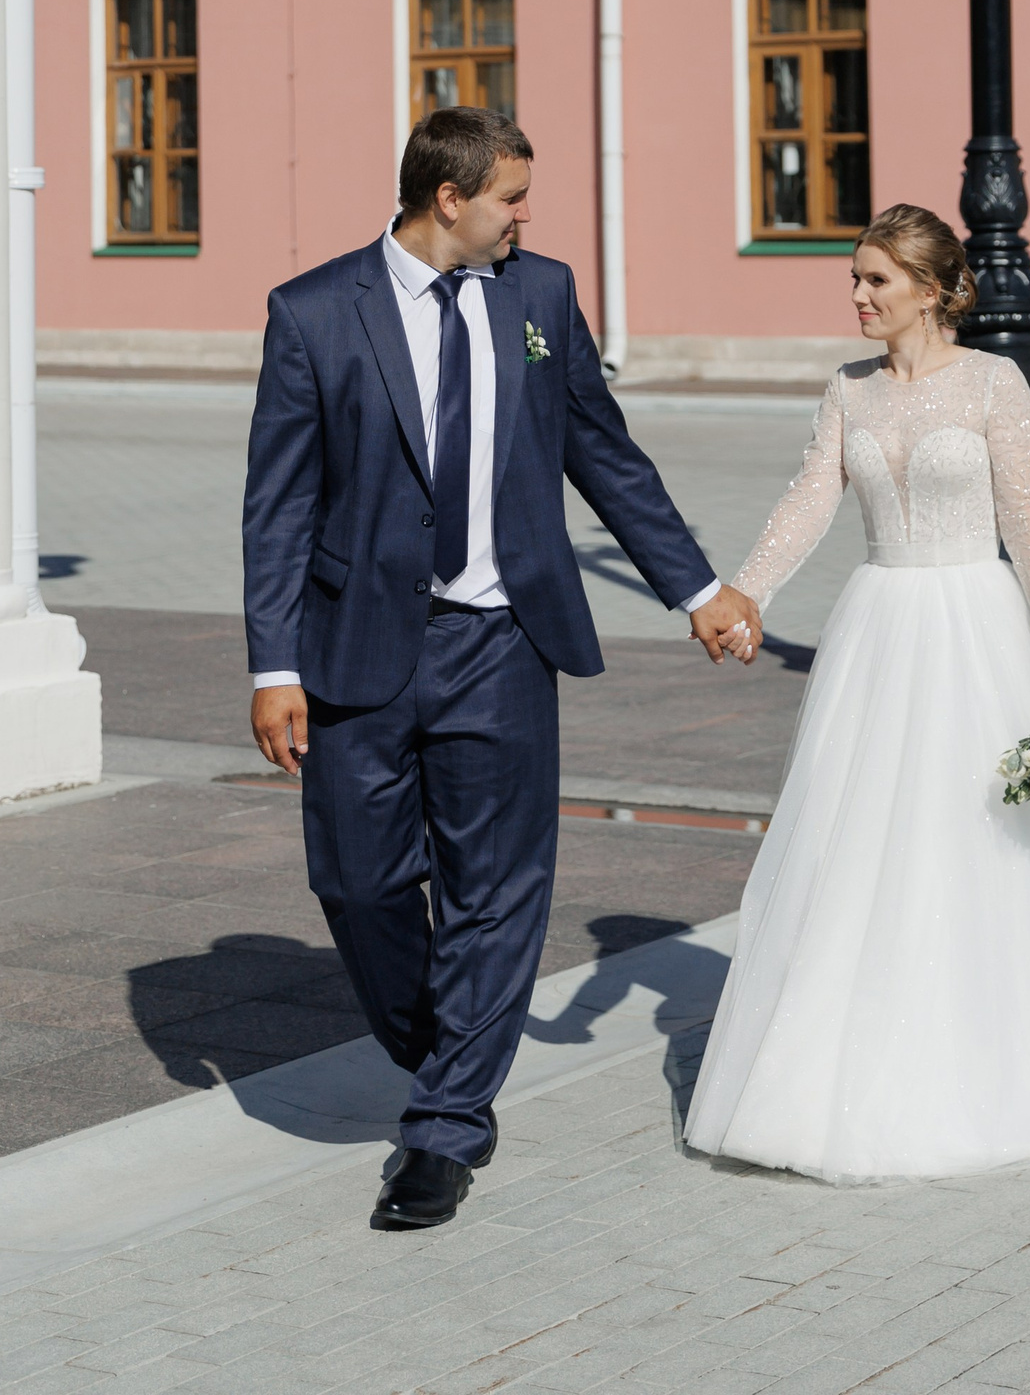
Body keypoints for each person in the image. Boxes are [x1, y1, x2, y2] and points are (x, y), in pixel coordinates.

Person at [243, 104, 763, 1232]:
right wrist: (271, 666)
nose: (526, 218)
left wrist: (697, 588)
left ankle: (446, 1126)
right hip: (357, 647)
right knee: (359, 882)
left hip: (503, 641)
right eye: (512, 198)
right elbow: (278, 504)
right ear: (450, 198)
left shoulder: (540, 296)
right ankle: (448, 1043)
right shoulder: (315, 311)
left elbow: (602, 452)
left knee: (498, 890)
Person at [683, 203, 1030, 1183]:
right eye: (855, 279)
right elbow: (810, 499)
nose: (859, 297)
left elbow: (1027, 519)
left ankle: (994, 1053)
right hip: (877, 629)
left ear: (933, 289)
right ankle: (843, 1060)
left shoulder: (993, 383)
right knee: (862, 836)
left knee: (973, 838)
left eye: (877, 280)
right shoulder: (848, 390)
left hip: (974, 628)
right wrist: (746, 593)